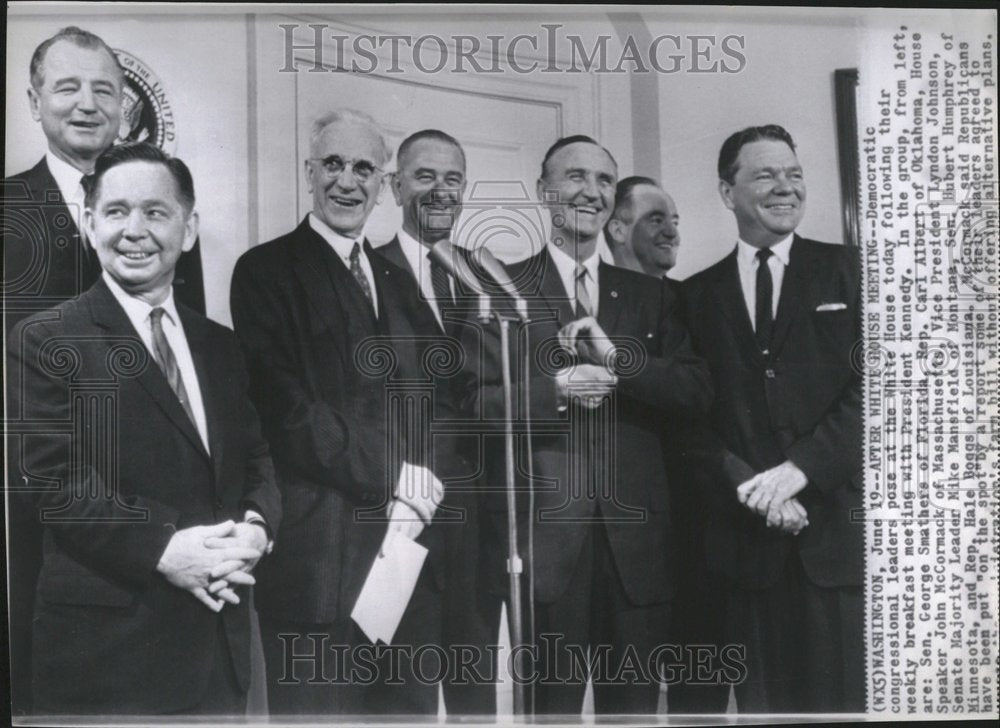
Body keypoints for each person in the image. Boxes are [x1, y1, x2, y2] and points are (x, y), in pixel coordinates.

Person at [5, 141, 281, 715]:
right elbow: (52, 487)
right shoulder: (45, 339)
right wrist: (164, 548)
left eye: (156, 212)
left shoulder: (222, 347)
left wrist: (257, 529)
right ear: (89, 224)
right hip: (105, 660)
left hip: (216, 653)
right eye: (115, 211)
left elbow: (256, 459)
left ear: (189, 228)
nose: (134, 230)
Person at [458, 135, 712, 714]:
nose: (591, 192)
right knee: (549, 714)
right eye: (575, 177)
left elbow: (696, 392)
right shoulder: (501, 287)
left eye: (603, 180)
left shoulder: (655, 297)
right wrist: (554, 391)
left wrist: (620, 360)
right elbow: (472, 404)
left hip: (640, 550)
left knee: (637, 713)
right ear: (545, 190)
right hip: (546, 547)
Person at [230, 109, 458, 715]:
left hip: (408, 562)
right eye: (332, 164)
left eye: (363, 168)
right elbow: (286, 411)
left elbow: (442, 401)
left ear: (384, 183)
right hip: (318, 570)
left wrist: (423, 486)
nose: (347, 181)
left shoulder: (400, 278)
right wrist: (395, 476)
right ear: (308, 172)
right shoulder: (265, 270)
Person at [680, 124, 863, 712]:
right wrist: (753, 486)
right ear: (727, 192)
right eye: (764, 174)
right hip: (743, 552)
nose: (785, 187)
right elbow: (690, 414)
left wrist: (801, 470)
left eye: (794, 173)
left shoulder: (853, 271)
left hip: (834, 543)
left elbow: (883, 389)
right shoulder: (694, 296)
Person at [381, 128, 502, 714]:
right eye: (425, 176)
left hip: (479, 525)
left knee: (476, 696)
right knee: (400, 699)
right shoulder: (366, 272)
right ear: (396, 184)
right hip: (399, 518)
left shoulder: (486, 275)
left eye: (452, 178)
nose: (440, 190)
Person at [603, 175, 730, 713]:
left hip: (697, 525)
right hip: (614, 533)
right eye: (657, 218)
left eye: (675, 220)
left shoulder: (693, 301)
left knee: (695, 687)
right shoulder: (584, 300)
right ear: (616, 227)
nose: (672, 230)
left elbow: (701, 395)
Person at [3, 26, 205, 328]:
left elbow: (187, 331)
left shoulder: (167, 202)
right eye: (68, 88)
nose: (88, 104)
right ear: (35, 102)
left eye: (102, 90)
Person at [604, 176, 681, 279]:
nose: (672, 233)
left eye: (674, 223)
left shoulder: (689, 294)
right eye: (657, 221)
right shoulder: (591, 293)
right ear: (618, 231)